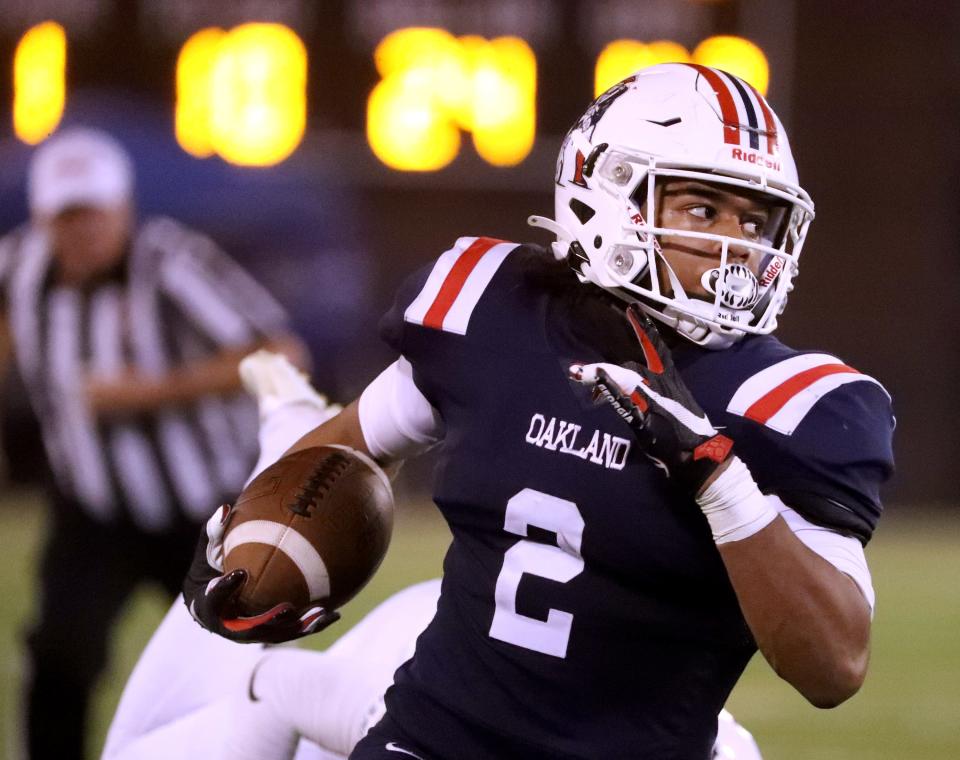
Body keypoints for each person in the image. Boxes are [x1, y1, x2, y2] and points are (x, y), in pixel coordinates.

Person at [185, 64, 895, 758]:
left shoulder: (790, 402)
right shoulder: (495, 308)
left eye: (755, 222)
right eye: (702, 210)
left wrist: (718, 478)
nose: (732, 249)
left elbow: (833, 667)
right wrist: (242, 543)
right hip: (431, 739)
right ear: (608, 193)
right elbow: (351, 443)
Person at [103, 350, 761, 760]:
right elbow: (270, 689)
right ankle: (289, 438)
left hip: (471, 645)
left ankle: (288, 436)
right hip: (436, 659)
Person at [0, 126, 304, 760]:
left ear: (124, 208)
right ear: (42, 220)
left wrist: (153, 390)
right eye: (66, 218)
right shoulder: (20, 268)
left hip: (205, 510)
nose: (81, 234)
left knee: (239, 664)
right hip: (92, 505)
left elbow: (280, 353)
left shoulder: (174, 265)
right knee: (59, 656)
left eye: (93, 216)